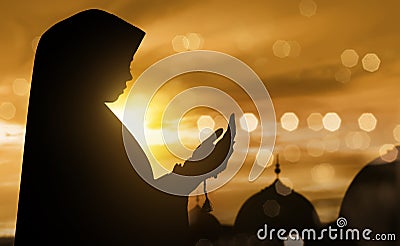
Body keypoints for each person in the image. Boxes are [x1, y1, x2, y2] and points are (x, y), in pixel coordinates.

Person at [15, 9, 234, 245]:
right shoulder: (83, 135)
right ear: (93, 65)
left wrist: (193, 168)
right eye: (124, 63)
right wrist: (192, 171)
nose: (129, 76)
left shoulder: (88, 124)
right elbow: (129, 219)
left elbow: (135, 206)